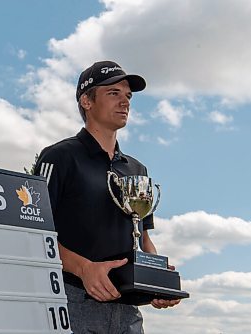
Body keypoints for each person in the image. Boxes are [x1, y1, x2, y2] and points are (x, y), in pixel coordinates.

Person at [34, 61, 180, 333]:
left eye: (128, 96)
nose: (124, 102)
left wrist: (158, 281)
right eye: (113, 93)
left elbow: (144, 238)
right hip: (71, 302)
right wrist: (85, 269)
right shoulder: (59, 157)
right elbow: (34, 235)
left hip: (127, 311)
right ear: (86, 102)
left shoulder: (137, 170)